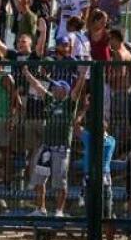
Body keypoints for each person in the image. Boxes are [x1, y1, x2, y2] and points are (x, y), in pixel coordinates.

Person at [26, 76, 87, 217]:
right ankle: (40, 209)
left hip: (61, 149)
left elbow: (77, 90)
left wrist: (83, 75)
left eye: (57, 87)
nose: (53, 89)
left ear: (64, 90)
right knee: (39, 179)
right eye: (53, 87)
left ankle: (59, 211)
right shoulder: (50, 101)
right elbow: (38, 86)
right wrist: (27, 73)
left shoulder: (69, 103)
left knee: (60, 182)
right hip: (46, 148)